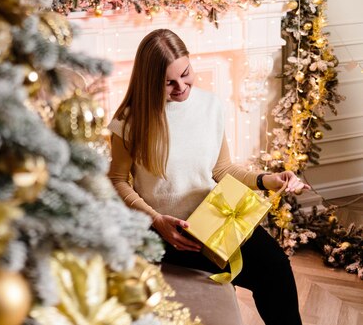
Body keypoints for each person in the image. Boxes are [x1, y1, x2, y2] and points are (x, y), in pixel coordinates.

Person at [107, 29, 308, 325]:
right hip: (165, 232)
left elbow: (222, 170)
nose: (181, 87)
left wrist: (269, 180)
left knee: (276, 266)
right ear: (150, 82)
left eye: (185, 74)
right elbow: (117, 181)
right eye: (168, 83)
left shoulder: (210, 106)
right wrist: (155, 219)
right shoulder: (129, 121)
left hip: (215, 218)